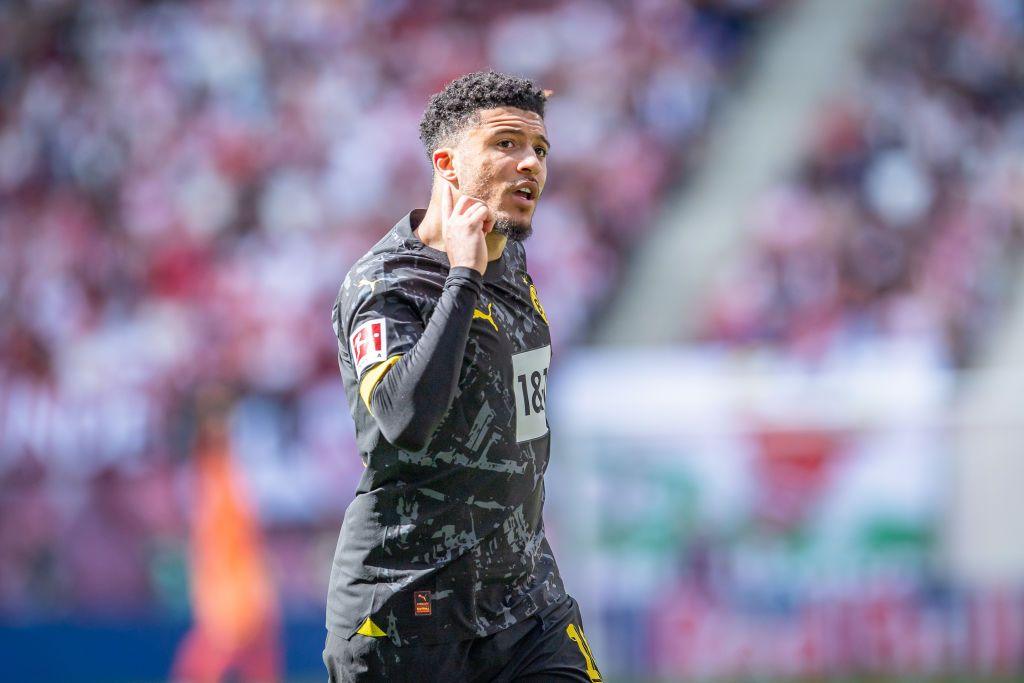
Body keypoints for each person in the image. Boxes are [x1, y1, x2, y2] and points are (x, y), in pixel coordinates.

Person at [323, 71, 602, 682]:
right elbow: (405, 420)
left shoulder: (514, 265)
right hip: (405, 612)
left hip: (525, 605)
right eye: (506, 144)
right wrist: (462, 278)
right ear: (447, 163)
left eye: (541, 150)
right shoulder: (385, 285)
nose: (531, 163)